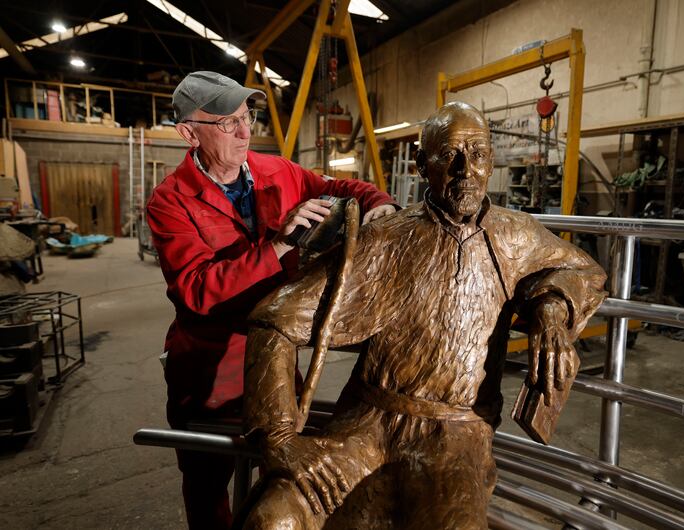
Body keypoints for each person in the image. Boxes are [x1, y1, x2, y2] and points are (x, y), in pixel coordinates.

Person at [242, 101, 607, 529]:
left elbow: (582, 271)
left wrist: (551, 307)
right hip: (366, 424)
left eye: (477, 154)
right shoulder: (386, 238)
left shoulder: (516, 235)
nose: (464, 169)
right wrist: (281, 440)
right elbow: (274, 321)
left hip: (456, 435)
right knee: (275, 520)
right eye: (449, 154)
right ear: (421, 165)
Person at [146, 71, 396, 529]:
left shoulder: (276, 171)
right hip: (210, 372)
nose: (245, 133)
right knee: (207, 489)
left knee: (284, 481)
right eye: (227, 123)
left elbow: (341, 189)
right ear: (188, 132)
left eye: (247, 117)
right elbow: (197, 290)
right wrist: (278, 246)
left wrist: (378, 202)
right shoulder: (170, 201)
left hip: (275, 361)